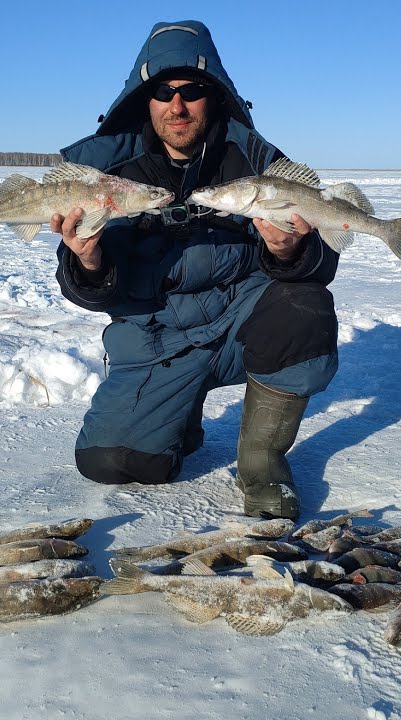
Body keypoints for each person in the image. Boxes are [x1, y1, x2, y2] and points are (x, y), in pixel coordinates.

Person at [49, 20, 339, 519]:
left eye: (192, 91)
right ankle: (178, 416)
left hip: (241, 327)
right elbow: (88, 292)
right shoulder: (108, 176)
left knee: (304, 305)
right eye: (163, 91)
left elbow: (323, 256)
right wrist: (88, 262)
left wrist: (290, 252)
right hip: (156, 339)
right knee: (113, 462)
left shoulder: (256, 164)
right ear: (145, 99)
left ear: (216, 96)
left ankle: (262, 464)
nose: (176, 106)